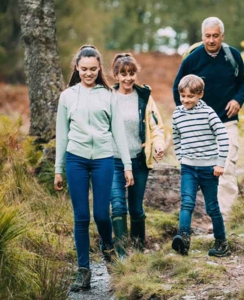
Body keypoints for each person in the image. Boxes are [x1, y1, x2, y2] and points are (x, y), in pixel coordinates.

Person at [54, 45, 134, 292]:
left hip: (103, 159)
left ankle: (107, 246)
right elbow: (62, 134)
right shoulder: (67, 96)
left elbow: (118, 133)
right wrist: (58, 168)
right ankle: (83, 270)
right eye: (84, 69)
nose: (88, 73)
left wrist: (128, 166)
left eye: (93, 69)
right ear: (77, 68)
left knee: (101, 214)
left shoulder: (108, 95)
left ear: (99, 68)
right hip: (75, 159)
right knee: (81, 217)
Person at [173, 17, 244, 219]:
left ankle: (225, 220)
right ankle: (209, 215)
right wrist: (187, 117)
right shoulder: (192, 59)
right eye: (207, 36)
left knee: (226, 167)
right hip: (201, 125)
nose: (211, 40)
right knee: (205, 170)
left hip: (227, 121)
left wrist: (237, 101)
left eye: (215, 36)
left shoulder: (232, 55)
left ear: (222, 36)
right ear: (202, 36)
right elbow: (177, 89)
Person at [109, 53, 165, 256]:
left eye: (131, 73)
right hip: (113, 161)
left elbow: (156, 126)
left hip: (138, 160)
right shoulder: (108, 97)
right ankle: (123, 255)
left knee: (136, 208)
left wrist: (158, 145)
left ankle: (139, 251)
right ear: (115, 75)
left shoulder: (144, 97)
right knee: (117, 206)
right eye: (123, 74)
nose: (128, 78)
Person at [172, 74, 230, 257]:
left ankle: (221, 242)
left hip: (209, 168)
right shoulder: (177, 114)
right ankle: (183, 238)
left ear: (200, 95)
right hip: (188, 167)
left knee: (212, 207)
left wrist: (220, 163)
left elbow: (223, 136)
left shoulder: (208, 113)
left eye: (190, 96)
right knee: (186, 203)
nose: (186, 100)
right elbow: (176, 137)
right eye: (183, 96)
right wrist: (181, 157)